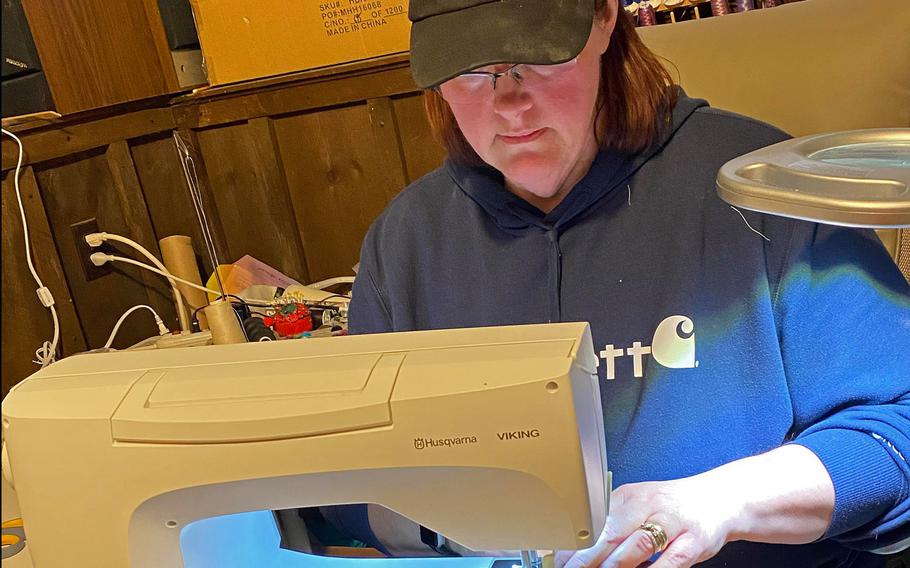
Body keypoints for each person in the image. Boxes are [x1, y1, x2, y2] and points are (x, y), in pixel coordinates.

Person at [339, 0, 910, 566]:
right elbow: (358, 484)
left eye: (538, 59)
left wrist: (713, 505)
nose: (509, 104)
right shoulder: (405, 244)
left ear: (605, 17)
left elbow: (895, 433)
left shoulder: (763, 193)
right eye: (469, 73)